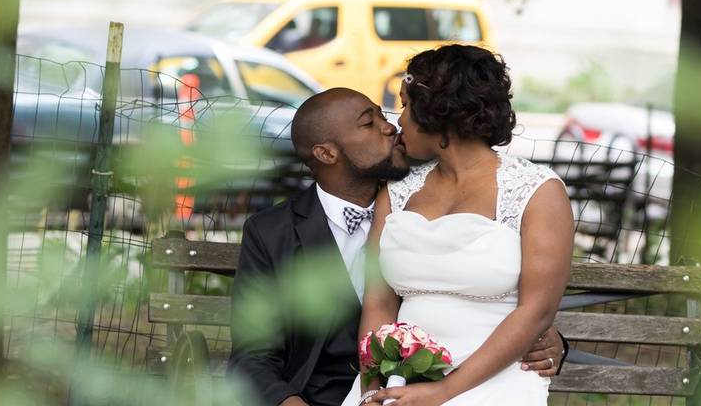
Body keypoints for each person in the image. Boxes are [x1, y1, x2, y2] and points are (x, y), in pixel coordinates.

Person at [228, 87, 568, 406]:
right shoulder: (272, 233)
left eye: (383, 115)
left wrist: (550, 340)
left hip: (419, 388)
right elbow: (252, 356)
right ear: (326, 153)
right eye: (369, 123)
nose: (390, 127)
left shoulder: (419, 204)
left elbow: (470, 290)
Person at [345, 45, 574, 406]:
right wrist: (374, 388)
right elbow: (378, 303)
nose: (398, 121)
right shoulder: (398, 192)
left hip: (495, 377)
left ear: (438, 115)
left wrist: (443, 392)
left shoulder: (538, 192)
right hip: (398, 378)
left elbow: (536, 312)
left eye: (406, 106)